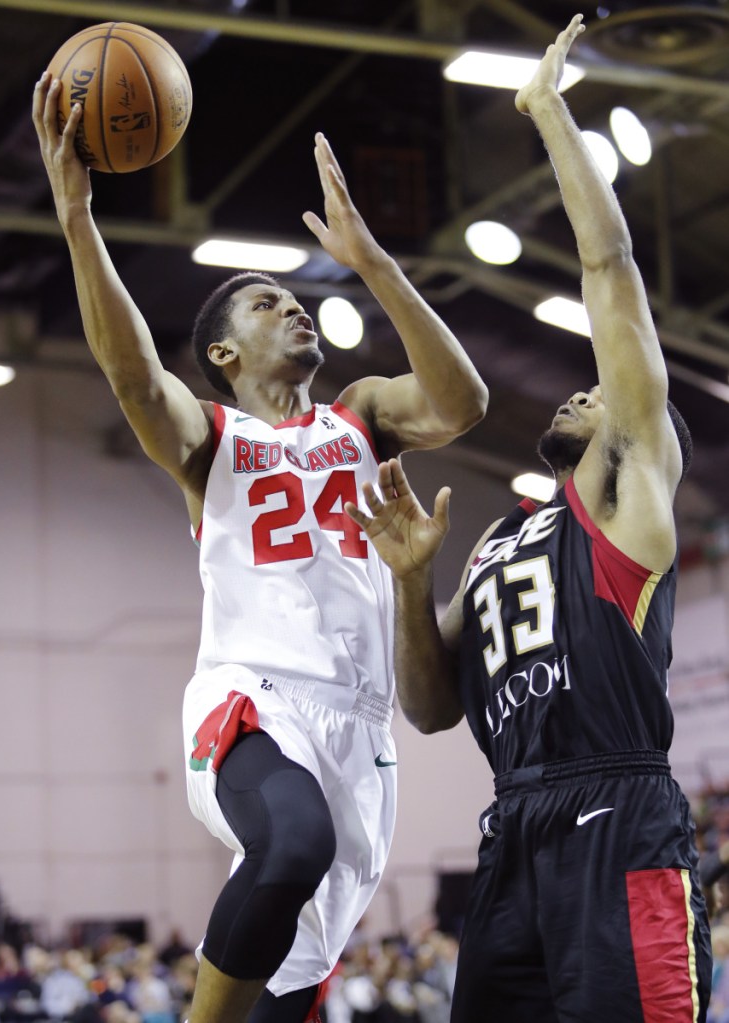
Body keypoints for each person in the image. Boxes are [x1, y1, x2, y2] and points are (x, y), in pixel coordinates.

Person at [32, 67, 488, 1023]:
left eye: (293, 296)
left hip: (359, 729)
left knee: (294, 980)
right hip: (252, 700)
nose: (291, 305)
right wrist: (79, 219)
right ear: (225, 356)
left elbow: (462, 403)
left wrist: (375, 263)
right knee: (289, 846)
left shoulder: (360, 416)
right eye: (264, 303)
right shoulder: (209, 440)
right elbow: (127, 371)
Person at [345, 15, 712, 1023]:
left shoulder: (627, 491)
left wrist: (549, 115)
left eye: (601, 394)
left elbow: (611, 278)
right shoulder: (507, 537)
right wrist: (414, 583)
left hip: (618, 815)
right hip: (514, 828)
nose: (581, 395)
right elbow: (428, 708)